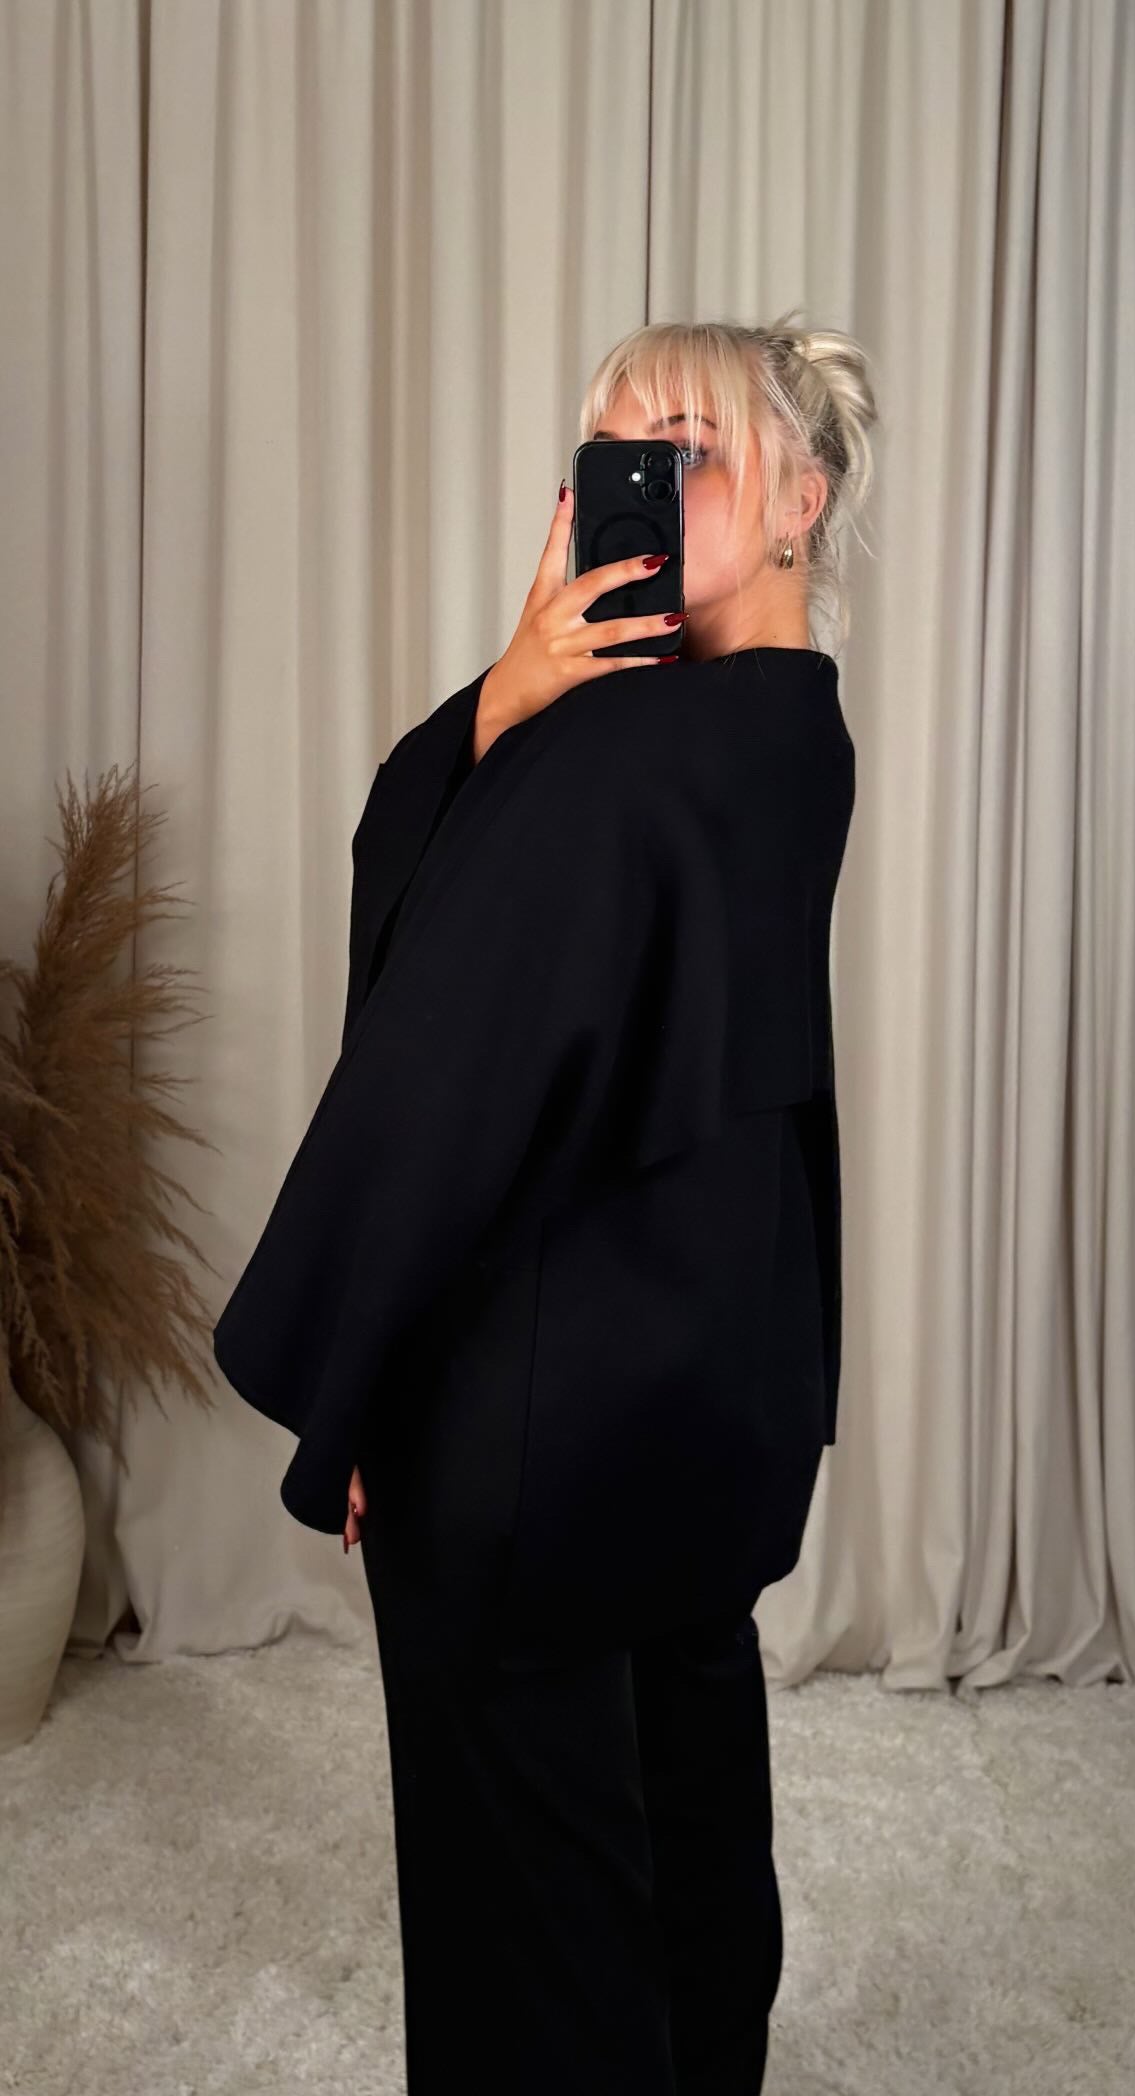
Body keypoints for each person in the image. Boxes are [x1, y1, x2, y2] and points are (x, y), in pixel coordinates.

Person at [213, 311, 877, 2093]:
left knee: (530, 1930)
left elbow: (441, 1076)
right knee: (685, 1828)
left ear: (802, 500)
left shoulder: (613, 754)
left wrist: (351, 1389)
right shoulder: (798, 736)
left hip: (525, 1424)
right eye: (619, 456)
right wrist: (515, 703)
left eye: (695, 452)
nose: (644, 484)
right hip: (704, 1395)